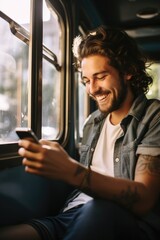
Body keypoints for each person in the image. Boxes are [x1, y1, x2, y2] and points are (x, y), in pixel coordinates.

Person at [0, 25, 160, 240]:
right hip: (72, 215)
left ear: (128, 71)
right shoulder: (92, 122)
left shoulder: (154, 116)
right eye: (86, 80)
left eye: (101, 76)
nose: (92, 89)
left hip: (121, 220)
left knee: (99, 211)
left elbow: (143, 200)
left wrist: (71, 171)